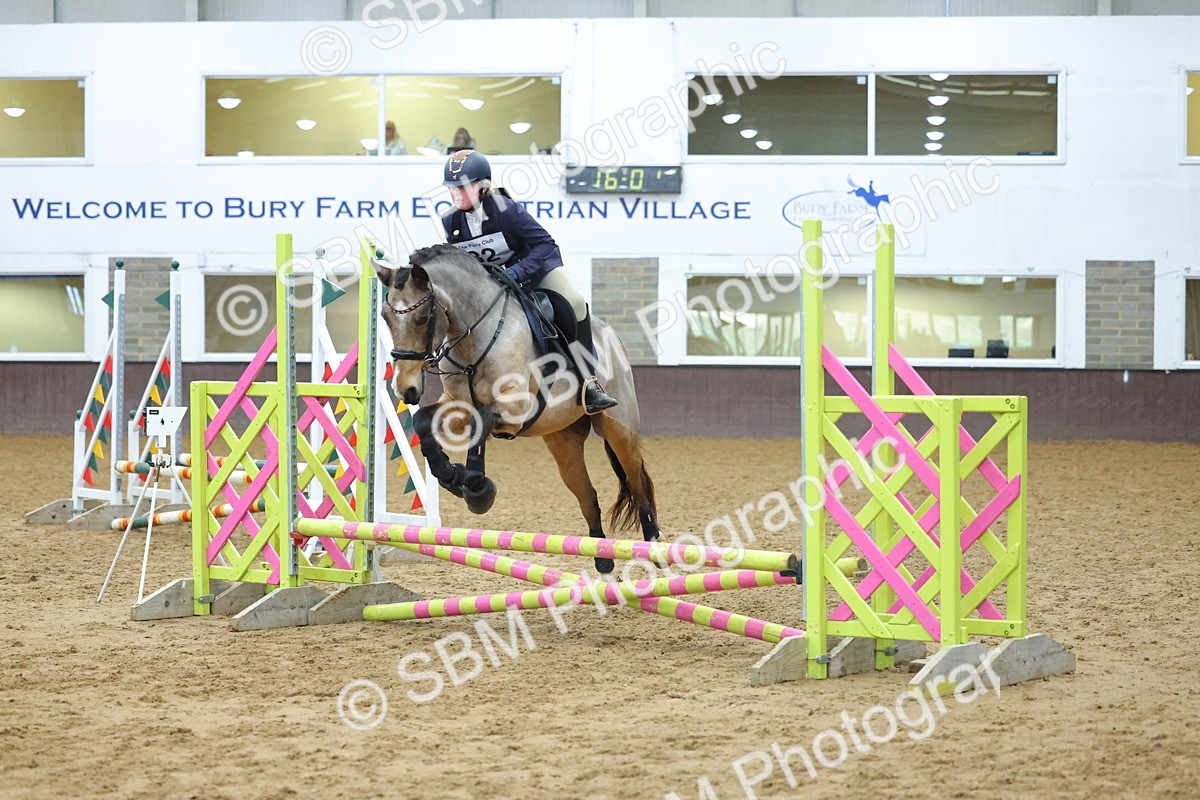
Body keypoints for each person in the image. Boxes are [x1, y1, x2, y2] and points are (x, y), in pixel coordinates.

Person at [440, 149, 618, 415]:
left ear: (484, 186)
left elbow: (545, 245)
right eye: (453, 189)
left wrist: (517, 272)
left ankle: (588, 382)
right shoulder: (450, 220)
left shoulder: (507, 210)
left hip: (534, 271)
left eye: (464, 187)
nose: (457, 195)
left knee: (576, 303)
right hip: (495, 285)